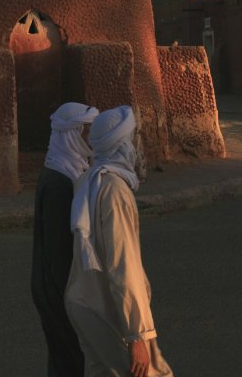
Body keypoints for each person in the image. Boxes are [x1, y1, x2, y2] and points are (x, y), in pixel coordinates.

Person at [65, 105, 173, 377]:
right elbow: (122, 264)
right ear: (121, 144)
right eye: (132, 138)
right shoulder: (114, 190)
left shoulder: (87, 180)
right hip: (108, 311)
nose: (136, 145)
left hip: (84, 305)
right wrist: (137, 334)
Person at [31, 101, 99, 377]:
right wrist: (72, 299)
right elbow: (58, 252)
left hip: (53, 286)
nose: (90, 139)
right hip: (57, 290)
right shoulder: (59, 181)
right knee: (70, 360)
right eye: (86, 132)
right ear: (72, 134)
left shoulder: (61, 169)